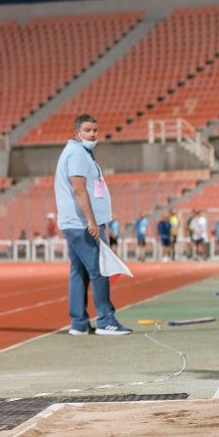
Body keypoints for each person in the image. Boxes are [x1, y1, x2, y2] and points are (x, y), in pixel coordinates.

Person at [54, 113, 131, 336]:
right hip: (81, 224)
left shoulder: (81, 152)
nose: (93, 134)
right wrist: (92, 221)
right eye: (88, 130)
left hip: (75, 223)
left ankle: (78, 323)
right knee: (100, 271)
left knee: (79, 272)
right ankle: (106, 320)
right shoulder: (77, 153)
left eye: (95, 130)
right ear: (76, 132)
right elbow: (79, 190)